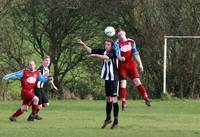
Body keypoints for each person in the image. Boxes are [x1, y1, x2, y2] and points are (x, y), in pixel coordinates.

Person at [77, 38, 119, 129]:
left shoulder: (114, 52)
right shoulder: (103, 51)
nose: (106, 46)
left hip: (114, 79)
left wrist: (95, 55)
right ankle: (108, 118)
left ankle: (116, 121)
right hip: (107, 78)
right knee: (108, 98)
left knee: (114, 99)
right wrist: (83, 44)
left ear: (111, 46)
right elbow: (90, 50)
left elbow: (107, 57)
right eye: (105, 44)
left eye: (108, 44)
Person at [114, 28, 151, 111]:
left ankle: (146, 98)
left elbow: (135, 53)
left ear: (125, 33)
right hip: (122, 66)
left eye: (122, 34)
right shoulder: (117, 43)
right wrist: (120, 57)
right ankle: (123, 103)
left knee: (137, 81)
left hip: (131, 65)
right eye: (119, 35)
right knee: (123, 83)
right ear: (117, 36)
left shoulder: (131, 42)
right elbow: (117, 53)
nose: (121, 36)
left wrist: (140, 64)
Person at [27, 55, 57, 121]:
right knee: (39, 105)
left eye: (48, 61)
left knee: (46, 104)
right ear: (43, 61)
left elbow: (49, 78)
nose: (47, 62)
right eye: (46, 60)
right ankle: (31, 117)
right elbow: (36, 77)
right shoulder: (41, 69)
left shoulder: (47, 69)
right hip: (37, 88)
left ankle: (34, 112)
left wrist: (53, 86)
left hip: (41, 88)